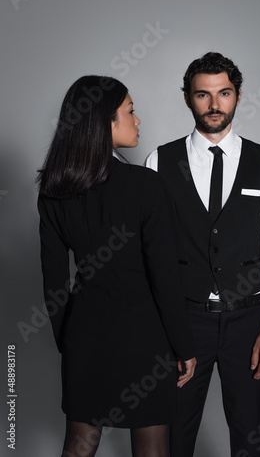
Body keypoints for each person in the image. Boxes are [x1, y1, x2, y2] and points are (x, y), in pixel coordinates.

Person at [37, 75, 196, 457]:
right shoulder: (146, 185)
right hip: (146, 341)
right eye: (130, 111)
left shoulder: (54, 191)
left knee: (79, 445)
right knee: (152, 449)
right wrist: (184, 346)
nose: (138, 120)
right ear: (106, 121)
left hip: (85, 340)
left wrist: (69, 341)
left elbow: (54, 283)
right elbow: (165, 277)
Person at [146, 52, 260, 457]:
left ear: (238, 96)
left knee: (250, 439)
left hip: (249, 320)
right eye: (203, 95)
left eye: (224, 93)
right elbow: (149, 256)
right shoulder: (159, 162)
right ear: (187, 99)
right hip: (183, 320)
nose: (214, 105)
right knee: (173, 438)